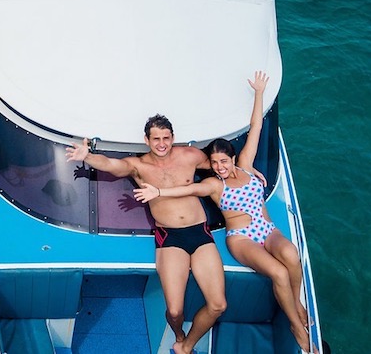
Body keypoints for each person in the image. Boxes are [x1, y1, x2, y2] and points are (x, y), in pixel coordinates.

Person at [133, 71, 314, 353]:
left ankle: (298, 305)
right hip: (241, 236)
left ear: (232, 158)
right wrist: (159, 192)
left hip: (266, 229)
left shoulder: (245, 165)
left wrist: (258, 93)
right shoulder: (213, 185)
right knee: (278, 273)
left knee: (292, 256)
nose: (219, 167)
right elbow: (188, 190)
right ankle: (295, 325)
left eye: (223, 161)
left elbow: (256, 127)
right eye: (214, 163)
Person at [66, 115, 226, 354]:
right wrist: (87, 156)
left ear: (173, 138)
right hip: (170, 238)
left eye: (166, 138)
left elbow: (218, 165)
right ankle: (180, 335)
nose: (162, 144)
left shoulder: (190, 156)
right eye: (156, 139)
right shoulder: (139, 166)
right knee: (174, 311)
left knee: (218, 305)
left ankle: (186, 346)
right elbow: (112, 165)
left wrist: (244, 169)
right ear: (146, 140)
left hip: (200, 233)